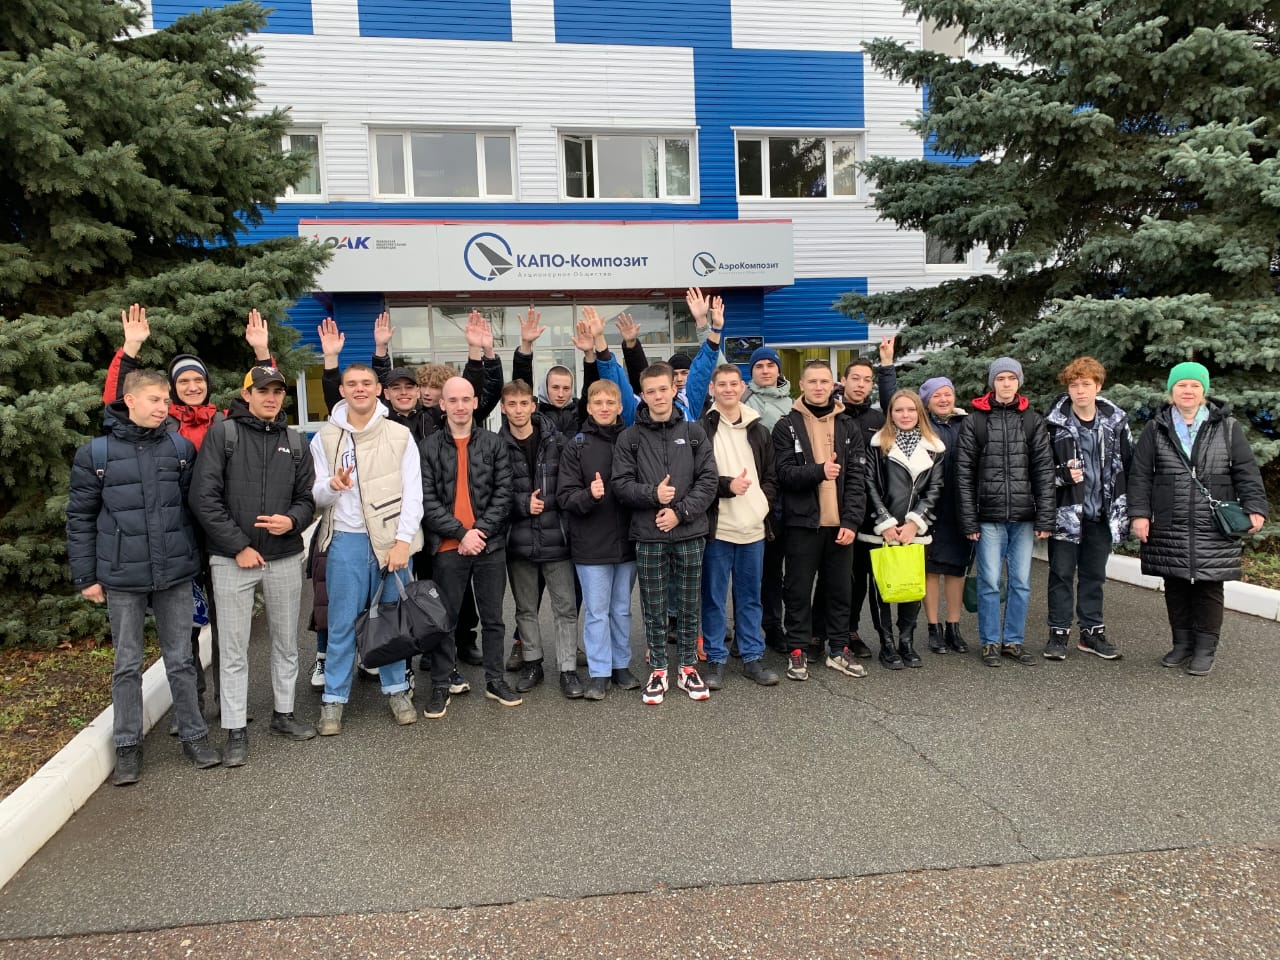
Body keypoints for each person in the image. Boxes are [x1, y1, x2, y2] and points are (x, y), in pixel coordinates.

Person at [103, 304, 274, 718]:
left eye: (198, 380)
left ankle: (228, 703)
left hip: (221, 535)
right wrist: (130, 350)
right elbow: (117, 403)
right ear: (173, 388)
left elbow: (265, 397)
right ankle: (191, 705)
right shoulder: (160, 423)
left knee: (227, 623)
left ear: (207, 384)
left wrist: (262, 353)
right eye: (184, 381)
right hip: (177, 537)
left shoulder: (224, 419)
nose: (193, 386)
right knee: (186, 628)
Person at [67, 369, 221, 784]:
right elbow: (80, 518)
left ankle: (194, 736)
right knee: (127, 664)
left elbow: (193, 510)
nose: (163, 407)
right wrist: (86, 577)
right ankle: (128, 747)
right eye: (154, 400)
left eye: (165, 400)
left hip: (175, 573)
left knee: (181, 660)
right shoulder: (96, 455)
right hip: (122, 576)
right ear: (130, 401)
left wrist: (198, 562)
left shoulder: (178, 448)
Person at [190, 366, 318, 764]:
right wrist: (239, 546)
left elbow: (307, 498)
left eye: (278, 391)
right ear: (247, 395)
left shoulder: (295, 441)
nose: (271, 398)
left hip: (284, 556)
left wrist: (292, 521)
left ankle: (284, 714)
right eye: (263, 391)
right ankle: (235, 730)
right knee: (232, 649)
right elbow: (203, 498)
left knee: (286, 643)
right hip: (233, 560)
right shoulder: (223, 435)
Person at [1128, 362, 1267, 676]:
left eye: (1194, 385)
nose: (1187, 391)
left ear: (1203, 391)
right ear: (1171, 391)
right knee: (1175, 582)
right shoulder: (1156, 427)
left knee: (1208, 585)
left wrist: (1255, 507)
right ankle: (1182, 644)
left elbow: (1246, 471)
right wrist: (1139, 514)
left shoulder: (1227, 427)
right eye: (1181, 385)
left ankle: (1205, 649)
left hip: (1212, 520)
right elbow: (1140, 475)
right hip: (1169, 517)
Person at [309, 363, 424, 735]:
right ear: (342, 391)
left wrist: (403, 542)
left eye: (366, 383)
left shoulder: (398, 435)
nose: (359, 389)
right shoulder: (325, 438)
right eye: (352, 384)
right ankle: (334, 699)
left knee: (390, 622)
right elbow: (315, 495)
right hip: (346, 540)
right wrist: (332, 486)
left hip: (392, 542)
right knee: (342, 622)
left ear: (378, 390)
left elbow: (414, 495)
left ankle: (396, 691)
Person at [612, 362, 719, 704]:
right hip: (648, 535)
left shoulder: (694, 432)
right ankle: (658, 669)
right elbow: (621, 485)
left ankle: (687, 667)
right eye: (651, 391)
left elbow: (709, 480)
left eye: (663, 389)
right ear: (642, 395)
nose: (658, 396)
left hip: (689, 532)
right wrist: (653, 495)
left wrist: (680, 512)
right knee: (654, 606)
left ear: (675, 389)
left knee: (688, 605)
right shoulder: (629, 438)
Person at [420, 376, 521, 716]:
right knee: (445, 620)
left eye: (466, 399)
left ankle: (495, 680)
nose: (460, 406)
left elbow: (503, 494)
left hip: (489, 546)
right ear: (442, 404)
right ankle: (441, 683)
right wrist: (461, 534)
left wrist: (478, 532)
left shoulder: (494, 444)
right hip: (448, 547)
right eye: (453, 400)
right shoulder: (428, 448)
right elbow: (426, 500)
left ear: (476, 403)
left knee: (493, 618)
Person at [954, 357, 1055, 667]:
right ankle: (989, 642)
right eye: (1001, 378)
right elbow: (964, 474)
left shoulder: (1032, 420)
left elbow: (1043, 470)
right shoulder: (975, 421)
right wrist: (969, 520)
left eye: (1012, 378)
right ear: (992, 383)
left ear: (1019, 382)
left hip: (1023, 518)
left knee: (1021, 582)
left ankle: (1013, 641)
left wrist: (1045, 516)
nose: (1006, 383)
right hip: (988, 518)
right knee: (989, 582)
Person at [772, 361, 867, 682]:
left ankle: (838, 650)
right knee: (797, 590)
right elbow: (784, 474)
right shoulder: (786, 425)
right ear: (801, 384)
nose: (818, 387)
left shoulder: (848, 425)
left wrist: (851, 522)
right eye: (812, 381)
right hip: (802, 524)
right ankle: (797, 650)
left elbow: (857, 479)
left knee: (839, 591)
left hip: (840, 525)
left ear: (833, 385)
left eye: (824, 381)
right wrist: (819, 471)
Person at [1043, 357, 1134, 661]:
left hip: (1102, 514)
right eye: (1074, 385)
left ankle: (1091, 632)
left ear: (1098, 386)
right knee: (1061, 574)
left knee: (1094, 575)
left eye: (1086, 384)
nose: (1080, 390)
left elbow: (1130, 466)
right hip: (1066, 514)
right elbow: (1038, 471)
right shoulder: (1053, 425)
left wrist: (1129, 509)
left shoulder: (1116, 424)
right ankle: (1058, 633)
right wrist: (1062, 476)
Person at [498, 379, 582, 698]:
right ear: (503, 408)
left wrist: (550, 503)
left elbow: (572, 484)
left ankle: (567, 669)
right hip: (518, 540)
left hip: (557, 537)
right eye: (512, 404)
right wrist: (521, 503)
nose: (519, 410)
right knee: (525, 608)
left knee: (565, 608)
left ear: (533, 406)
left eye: (524, 404)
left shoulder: (557, 441)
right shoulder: (495, 445)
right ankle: (533, 662)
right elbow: (490, 492)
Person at [700, 363, 781, 688]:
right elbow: (698, 477)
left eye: (734, 383)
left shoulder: (759, 430)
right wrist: (727, 485)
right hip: (718, 528)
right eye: (722, 384)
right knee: (714, 598)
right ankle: (715, 660)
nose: (729, 389)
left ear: (742, 387)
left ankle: (752, 658)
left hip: (753, 529)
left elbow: (771, 477)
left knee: (750, 598)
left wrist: (761, 505)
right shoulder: (702, 429)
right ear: (712, 389)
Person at [558, 379, 639, 700]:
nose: (604, 408)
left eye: (610, 403)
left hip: (627, 540)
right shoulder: (576, 446)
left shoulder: (633, 440)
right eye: (598, 403)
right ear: (589, 408)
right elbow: (565, 496)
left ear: (620, 407)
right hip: (590, 542)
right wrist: (589, 495)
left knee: (621, 609)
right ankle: (600, 671)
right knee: (596, 611)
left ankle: (621, 665)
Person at [862, 390, 946, 669]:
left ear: (919, 413)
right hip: (882, 529)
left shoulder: (934, 447)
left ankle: (906, 641)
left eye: (911, 409)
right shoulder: (877, 445)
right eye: (899, 410)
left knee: (911, 587)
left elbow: (935, 489)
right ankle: (886, 643)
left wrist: (914, 523)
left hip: (914, 530)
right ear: (890, 414)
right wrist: (885, 522)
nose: (905, 415)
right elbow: (869, 484)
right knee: (882, 588)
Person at [837, 339, 899, 661]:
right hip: (838, 509)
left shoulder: (877, 418)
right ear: (843, 381)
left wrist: (887, 365)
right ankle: (827, 633)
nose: (860, 385)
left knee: (862, 578)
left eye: (867, 380)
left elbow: (895, 406)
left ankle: (853, 632)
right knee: (840, 579)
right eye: (855, 378)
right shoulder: (834, 413)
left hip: (871, 511)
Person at [742, 345, 792, 651]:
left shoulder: (793, 403)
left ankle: (775, 625)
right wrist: (708, 330)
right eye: (758, 366)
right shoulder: (744, 398)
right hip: (752, 491)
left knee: (778, 568)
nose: (765, 370)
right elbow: (719, 364)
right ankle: (748, 629)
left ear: (778, 370)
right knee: (752, 570)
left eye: (770, 365)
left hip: (787, 494)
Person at [918, 378, 971, 654]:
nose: (943, 399)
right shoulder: (920, 424)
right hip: (929, 506)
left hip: (959, 505)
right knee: (930, 569)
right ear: (927, 401)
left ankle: (953, 626)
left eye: (947, 394)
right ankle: (933, 627)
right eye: (936, 395)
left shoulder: (966, 423)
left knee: (956, 569)